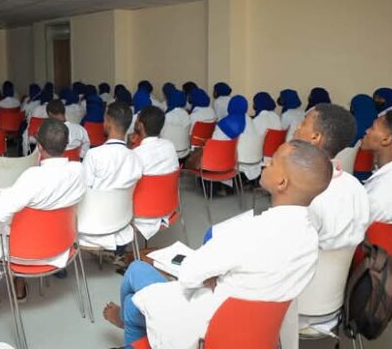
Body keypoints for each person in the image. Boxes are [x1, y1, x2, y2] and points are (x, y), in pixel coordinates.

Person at [104, 140, 332, 348]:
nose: (266, 163)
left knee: (135, 279)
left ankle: (128, 327)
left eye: (272, 163)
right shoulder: (310, 239)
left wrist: (213, 275)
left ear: (282, 182)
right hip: (254, 333)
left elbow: (189, 275)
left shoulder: (250, 231)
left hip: (209, 323)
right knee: (138, 299)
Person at [281, 104, 370, 348]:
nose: (296, 128)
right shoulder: (355, 187)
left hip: (296, 307)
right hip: (333, 305)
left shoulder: (303, 192)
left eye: (303, 123)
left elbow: (280, 256)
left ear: (315, 137)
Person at [0, 118, 86, 299]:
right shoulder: (79, 170)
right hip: (62, 245)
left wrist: (1, 193)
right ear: (66, 145)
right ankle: (19, 283)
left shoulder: (32, 177)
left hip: (25, 253)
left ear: (39, 146)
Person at [81, 102, 143, 261]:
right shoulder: (135, 157)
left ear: (108, 122)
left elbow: (83, 190)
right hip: (123, 221)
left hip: (95, 224)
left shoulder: (94, 155)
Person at [131, 106, 179, 241]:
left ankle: (119, 250)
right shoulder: (170, 146)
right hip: (168, 209)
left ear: (140, 125)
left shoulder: (137, 154)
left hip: (141, 213)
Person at [213, 95, 261, 181]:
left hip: (235, 162)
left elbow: (215, 144)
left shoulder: (224, 123)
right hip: (254, 160)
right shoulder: (250, 120)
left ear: (230, 106)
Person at [162, 89, 191, 158]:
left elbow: (162, 134)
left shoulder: (168, 116)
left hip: (169, 153)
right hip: (185, 151)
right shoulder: (186, 114)